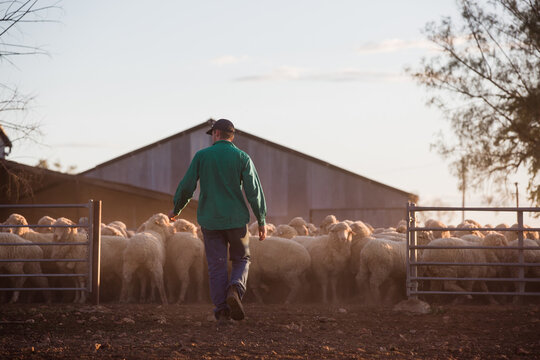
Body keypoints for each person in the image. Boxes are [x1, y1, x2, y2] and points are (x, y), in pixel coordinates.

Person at [168, 119, 267, 324]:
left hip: (210, 221)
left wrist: (176, 209)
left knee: (216, 265)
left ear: (216, 134)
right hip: (237, 221)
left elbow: (187, 186)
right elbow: (253, 191)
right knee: (241, 259)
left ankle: (221, 311)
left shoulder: (202, 156)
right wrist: (262, 219)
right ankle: (235, 288)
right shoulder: (242, 157)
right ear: (232, 136)